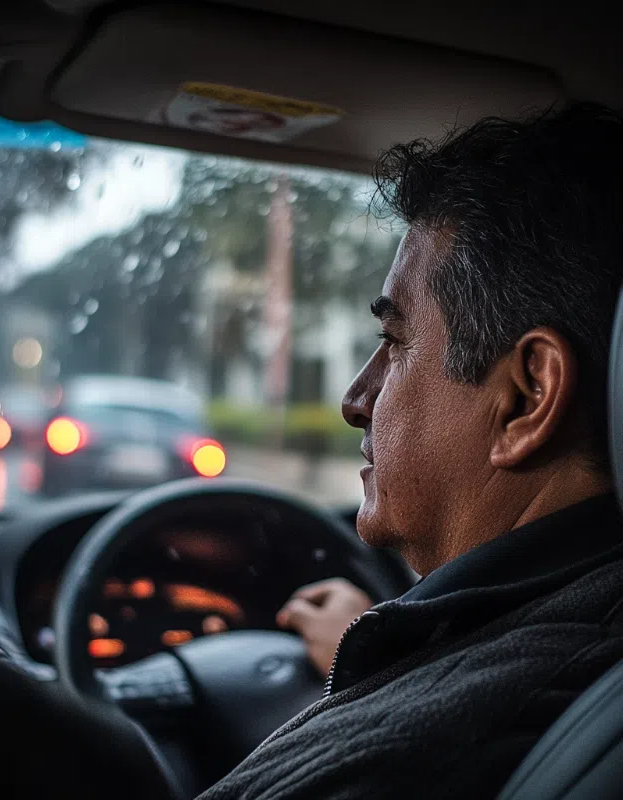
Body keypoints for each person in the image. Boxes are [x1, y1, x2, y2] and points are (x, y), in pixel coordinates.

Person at [199, 103, 623, 798]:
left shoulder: (412, 756)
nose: (354, 400)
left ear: (526, 399)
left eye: (394, 343)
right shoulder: (575, 641)